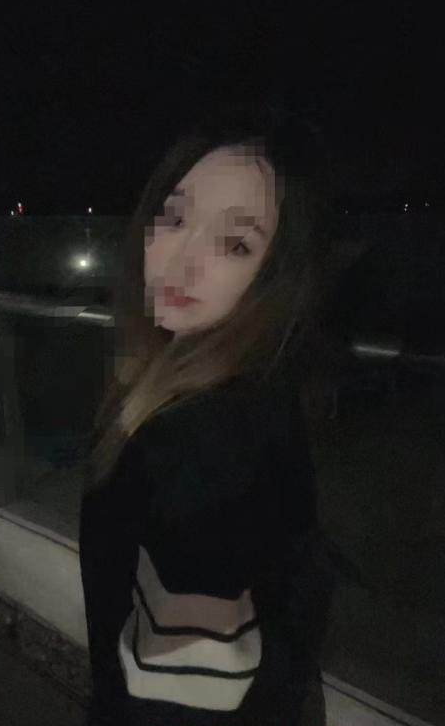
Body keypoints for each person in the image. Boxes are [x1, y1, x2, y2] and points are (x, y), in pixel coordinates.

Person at [79, 103, 339, 726]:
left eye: (234, 243)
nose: (181, 260)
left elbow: (184, 698)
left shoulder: (198, 446)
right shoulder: (245, 391)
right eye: (173, 217)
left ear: (274, 278)